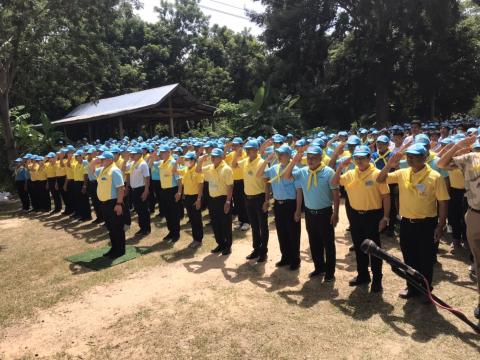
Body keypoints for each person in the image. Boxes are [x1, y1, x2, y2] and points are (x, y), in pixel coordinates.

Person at [377, 143, 449, 302]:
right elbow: (380, 179)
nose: (410, 159)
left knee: (425, 258)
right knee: (409, 257)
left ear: (424, 158)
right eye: (408, 155)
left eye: (415, 156)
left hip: (427, 224)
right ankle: (412, 287)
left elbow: (443, 202)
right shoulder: (402, 173)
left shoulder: (435, 176)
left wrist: (441, 225)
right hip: (406, 224)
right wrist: (389, 165)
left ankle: (426, 290)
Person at [332, 145, 390, 292]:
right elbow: (334, 182)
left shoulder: (377, 174)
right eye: (356, 158)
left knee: (375, 249)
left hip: (373, 215)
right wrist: (340, 167)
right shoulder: (351, 173)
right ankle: (363, 275)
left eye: (362, 158)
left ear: (369, 158)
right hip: (355, 215)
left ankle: (377, 279)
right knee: (359, 247)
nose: (359, 161)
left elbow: (386, 196)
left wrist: (385, 217)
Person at [437, 135, 480, 319]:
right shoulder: (470, 159)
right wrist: (458, 145)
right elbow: (441, 164)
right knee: (478, 261)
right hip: (475, 214)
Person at [284, 145, 340, 281]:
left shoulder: (329, 172)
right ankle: (319, 267)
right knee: (314, 241)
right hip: (310, 213)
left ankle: (330, 272)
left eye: (314, 157)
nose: (311, 160)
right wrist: (294, 161)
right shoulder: (303, 172)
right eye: (309, 157)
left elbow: (336, 193)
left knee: (328, 243)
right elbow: (286, 176)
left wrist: (336, 213)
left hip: (325, 212)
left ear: (321, 158)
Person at [258, 144, 302, 270]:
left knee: (293, 233)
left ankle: (295, 259)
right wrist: (267, 160)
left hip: (290, 204)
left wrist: (298, 210)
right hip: (278, 204)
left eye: (282, 154)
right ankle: (285, 257)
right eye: (278, 154)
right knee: (281, 232)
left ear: (289, 155)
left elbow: (299, 191)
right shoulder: (274, 168)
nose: (279, 156)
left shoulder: (295, 169)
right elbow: (259, 174)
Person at [232, 139, 270, 262]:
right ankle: (256, 249)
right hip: (248, 198)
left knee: (263, 226)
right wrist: (237, 153)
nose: (248, 151)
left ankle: (263, 251)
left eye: (250, 149)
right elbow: (233, 165)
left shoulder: (261, 162)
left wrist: (266, 200)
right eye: (247, 149)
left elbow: (267, 184)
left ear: (256, 150)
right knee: (254, 225)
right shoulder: (245, 161)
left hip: (259, 198)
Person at [196, 148, 234, 255]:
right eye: (212, 156)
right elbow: (198, 170)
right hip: (212, 199)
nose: (213, 158)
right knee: (216, 223)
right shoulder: (210, 167)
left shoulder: (226, 169)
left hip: (223, 199)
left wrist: (228, 201)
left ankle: (228, 245)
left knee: (225, 223)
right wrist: (200, 160)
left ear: (221, 157)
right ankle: (220, 243)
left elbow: (230, 186)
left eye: (215, 156)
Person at [92, 151, 126, 258]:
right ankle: (114, 247)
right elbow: (91, 170)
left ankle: (120, 250)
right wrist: (94, 162)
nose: (101, 161)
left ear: (110, 160)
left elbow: (121, 188)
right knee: (110, 227)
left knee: (117, 227)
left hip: (114, 202)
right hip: (105, 203)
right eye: (101, 159)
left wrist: (119, 204)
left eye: (103, 159)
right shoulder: (102, 170)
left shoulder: (115, 171)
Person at [179, 151, 204, 248]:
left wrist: (198, 199)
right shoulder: (185, 169)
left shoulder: (198, 170)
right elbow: (173, 171)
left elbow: (201, 186)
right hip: (187, 197)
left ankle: (198, 239)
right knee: (192, 219)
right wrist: (177, 162)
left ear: (194, 160)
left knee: (197, 218)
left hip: (195, 197)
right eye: (185, 159)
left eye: (188, 160)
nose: (186, 161)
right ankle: (195, 238)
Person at [225, 137, 250, 231]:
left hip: (243, 180)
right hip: (233, 180)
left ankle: (247, 221)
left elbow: (236, 165)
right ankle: (241, 220)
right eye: (233, 145)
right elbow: (225, 160)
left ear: (241, 145)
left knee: (244, 201)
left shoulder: (246, 154)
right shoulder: (231, 154)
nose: (234, 146)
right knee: (237, 202)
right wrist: (226, 148)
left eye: (236, 145)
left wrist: (237, 154)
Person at [158, 145, 181, 242]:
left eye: (163, 152)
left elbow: (179, 179)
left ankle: (176, 234)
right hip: (164, 190)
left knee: (174, 213)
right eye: (161, 152)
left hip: (172, 190)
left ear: (169, 152)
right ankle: (171, 232)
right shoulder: (162, 163)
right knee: (167, 213)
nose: (162, 154)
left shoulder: (173, 162)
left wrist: (179, 192)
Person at [129, 147, 151, 236]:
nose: (132, 155)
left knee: (144, 210)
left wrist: (146, 191)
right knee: (138, 210)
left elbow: (147, 178)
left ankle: (146, 229)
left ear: (139, 154)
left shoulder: (143, 164)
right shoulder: (133, 163)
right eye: (132, 154)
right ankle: (142, 227)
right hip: (134, 190)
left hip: (141, 189)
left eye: (134, 154)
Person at [73, 150, 91, 221]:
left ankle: (87, 216)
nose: (76, 157)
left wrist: (84, 186)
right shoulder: (77, 164)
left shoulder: (85, 163)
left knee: (84, 200)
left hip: (82, 183)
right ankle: (82, 215)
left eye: (78, 156)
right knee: (79, 200)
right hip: (76, 183)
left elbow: (86, 175)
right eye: (76, 156)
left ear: (81, 156)